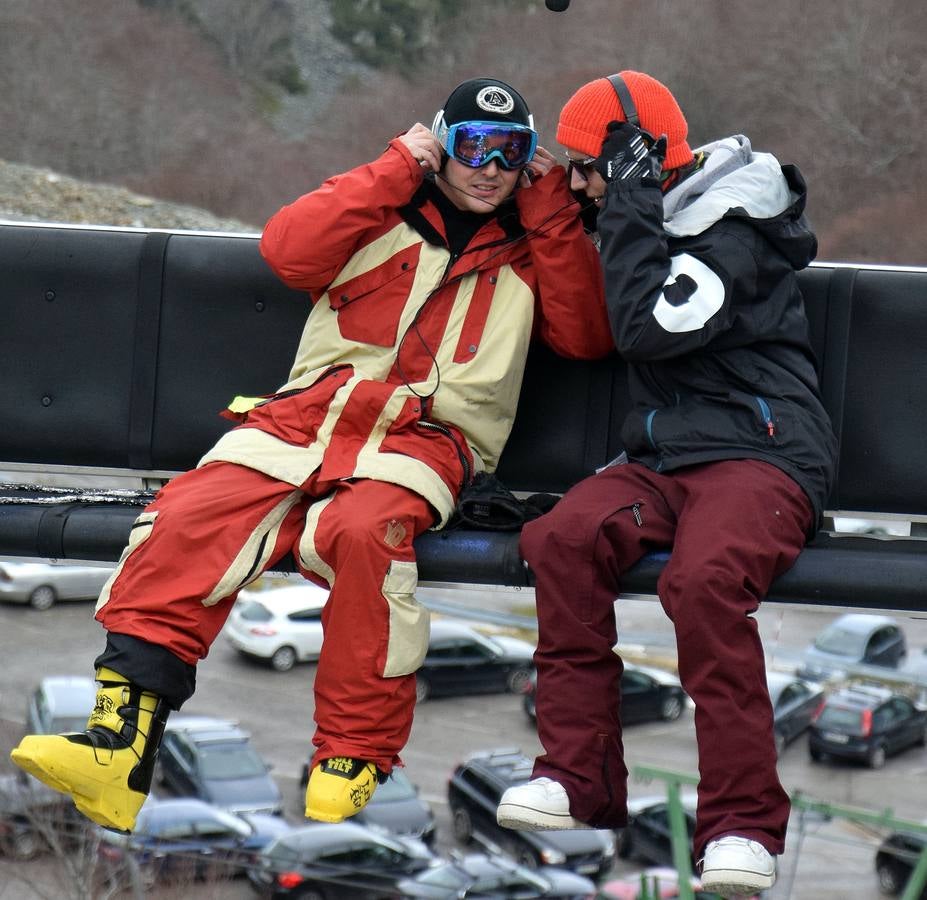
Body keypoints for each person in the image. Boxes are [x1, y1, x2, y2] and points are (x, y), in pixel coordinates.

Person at [11, 77, 613, 833]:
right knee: (188, 515)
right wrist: (398, 164)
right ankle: (117, 749)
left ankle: (353, 753)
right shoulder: (380, 214)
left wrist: (553, 208)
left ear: (528, 163)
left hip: (422, 440)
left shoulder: (534, 249)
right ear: (440, 146)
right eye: (471, 147)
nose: (488, 167)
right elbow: (288, 249)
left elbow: (584, 334)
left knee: (361, 534)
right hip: (300, 422)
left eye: (509, 152)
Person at [495, 71, 837, 898]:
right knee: (561, 539)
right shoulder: (641, 220)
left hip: (763, 452)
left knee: (704, 581)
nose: (576, 184)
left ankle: (741, 825)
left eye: (587, 166)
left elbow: (649, 327)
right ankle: (576, 775)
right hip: (664, 458)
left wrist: (629, 205)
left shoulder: (734, 229)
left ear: (638, 159)